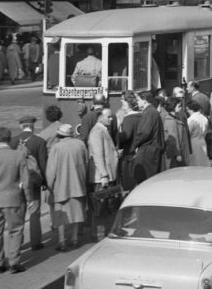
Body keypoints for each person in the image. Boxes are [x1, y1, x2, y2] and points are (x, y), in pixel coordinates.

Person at [0, 127, 32, 274]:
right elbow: (26, 180)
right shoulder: (18, 156)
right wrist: (29, 198)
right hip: (13, 199)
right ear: (10, 139)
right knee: (15, 230)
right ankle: (14, 262)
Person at [45, 123, 88, 251]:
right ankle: (74, 238)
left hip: (61, 186)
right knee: (76, 213)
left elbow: (51, 171)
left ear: (59, 135)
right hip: (78, 184)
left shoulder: (56, 147)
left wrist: (49, 186)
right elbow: (86, 163)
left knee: (61, 215)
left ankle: (62, 240)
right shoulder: (80, 144)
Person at [9, 115, 47, 251]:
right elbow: (43, 164)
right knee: (35, 213)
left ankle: (17, 243)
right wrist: (44, 182)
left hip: (17, 183)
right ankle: (36, 243)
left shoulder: (12, 142)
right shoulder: (39, 141)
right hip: (33, 183)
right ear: (33, 126)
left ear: (21, 126)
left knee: (19, 214)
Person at [87, 107, 119, 241]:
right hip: (101, 178)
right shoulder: (97, 132)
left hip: (106, 175)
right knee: (100, 207)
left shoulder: (102, 131)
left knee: (106, 206)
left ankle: (103, 233)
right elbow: (97, 155)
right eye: (109, 117)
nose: (111, 119)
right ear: (100, 117)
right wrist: (104, 175)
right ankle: (99, 235)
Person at [132, 91, 165, 184]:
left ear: (145, 100)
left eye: (138, 100)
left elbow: (144, 132)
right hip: (151, 150)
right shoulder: (152, 111)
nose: (137, 102)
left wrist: (134, 145)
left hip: (148, 152)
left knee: (145, 181)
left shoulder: (149, 112)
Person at [116, 91, 141, 192]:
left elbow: (126, 136)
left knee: (129, 182)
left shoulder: (129, 118)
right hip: (138, 153)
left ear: (127, 103)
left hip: (130, 155)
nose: (122, 105)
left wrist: (116, 136)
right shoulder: (141, 116)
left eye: (123, 103)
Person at [162, 97, 191, 168]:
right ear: (173, 106)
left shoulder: (175, 118)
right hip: (177, 155)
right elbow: (173, 140)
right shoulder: (171, 121)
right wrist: (177, 154)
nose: (180, 108)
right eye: (179, 106)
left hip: (181, 152)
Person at [185, 100, 211, 167]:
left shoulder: (190, 120)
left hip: (193, 143)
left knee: (195, 163)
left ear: (189, 109)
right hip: (202, 140)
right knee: (203, 162)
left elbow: (188, 133)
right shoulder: (204, 118)